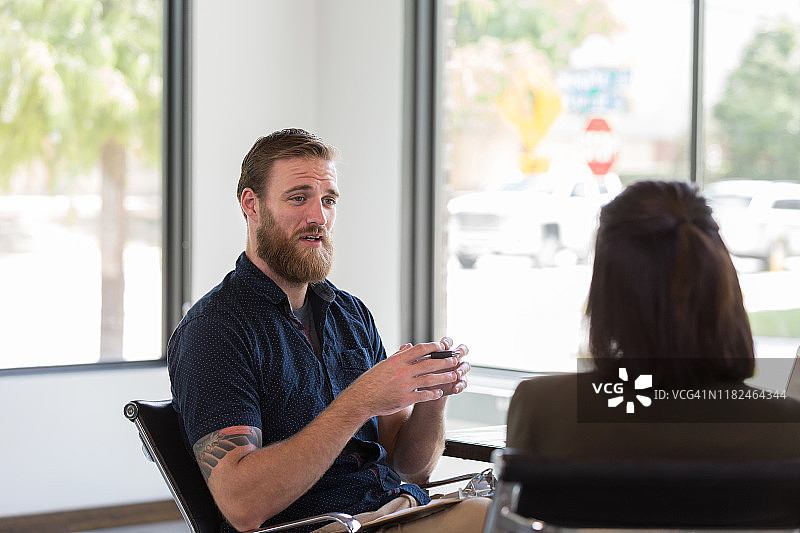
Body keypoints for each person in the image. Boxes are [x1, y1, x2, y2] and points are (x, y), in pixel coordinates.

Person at [168, 128, 490, 533]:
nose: (318, 217)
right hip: (325, 526)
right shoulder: (215, 331)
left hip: (394, 509)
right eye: (298, 198)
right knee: (494, 522)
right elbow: (242, 504)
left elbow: (410, 469)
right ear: (251, 205)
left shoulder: (350, 315)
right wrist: (360, 401)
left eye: (328, 200)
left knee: (516, 510)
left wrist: (432, 395)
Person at [507, 180, 800, 460]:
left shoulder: (542, 409)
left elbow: (518, 510)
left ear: (608, 292)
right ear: (723, 289)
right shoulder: (787, 424)